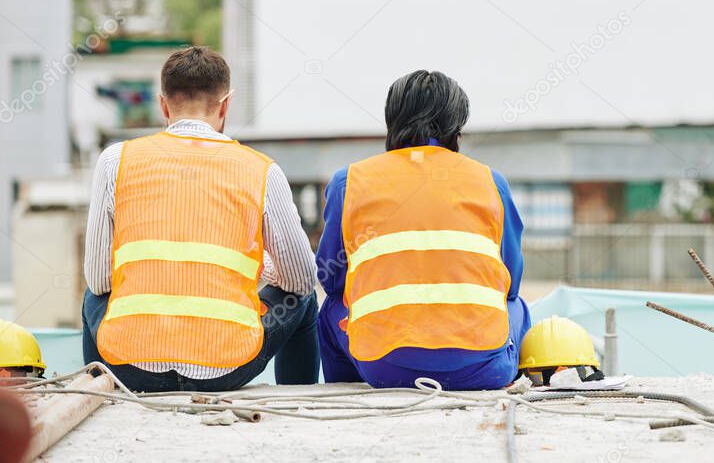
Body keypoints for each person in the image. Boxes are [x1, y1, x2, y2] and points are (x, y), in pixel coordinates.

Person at [81, 46, 319, 392]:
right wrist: (259, 264)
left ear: (163, 105)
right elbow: (301, 280)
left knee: (92, 295)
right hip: (227, 368)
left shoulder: (115, 160)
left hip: (131, 369)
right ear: (226, 105)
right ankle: (298, 396)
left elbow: (100, 280)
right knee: (305, 298)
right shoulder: (261, 169)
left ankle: (102, 390)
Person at [317, 70, 532, 389]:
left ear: (392, 120)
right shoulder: (490, 182)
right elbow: (511, 284)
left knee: (330, 309)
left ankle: (344, 391)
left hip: (382, 369)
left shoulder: (349, 181)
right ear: (456, 128)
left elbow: (330, 278)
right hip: (483, 370)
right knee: (518, 306)